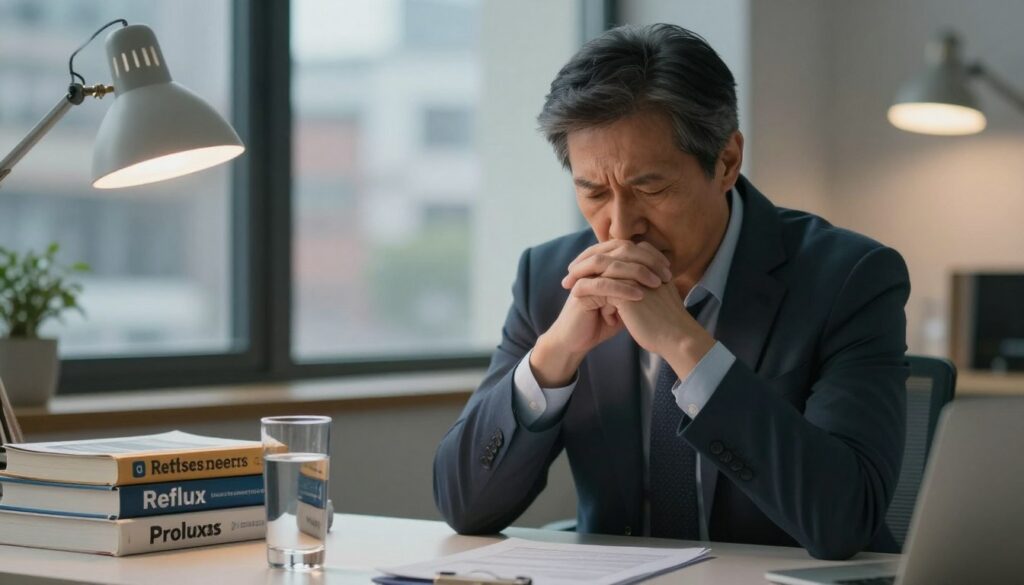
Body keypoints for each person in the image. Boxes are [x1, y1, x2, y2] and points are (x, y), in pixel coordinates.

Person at [433, 23, 909, 561]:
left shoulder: (850, 278)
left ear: (727, 161)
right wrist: (555, 354)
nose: (619, 228)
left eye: (650, 188)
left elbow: (844, 519)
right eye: (593, 191)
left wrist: (687, 347)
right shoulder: (549, 278)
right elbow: (464, 507)